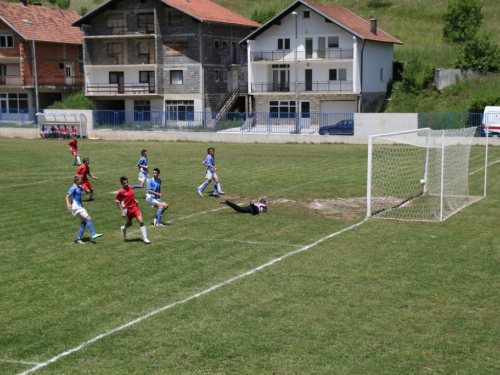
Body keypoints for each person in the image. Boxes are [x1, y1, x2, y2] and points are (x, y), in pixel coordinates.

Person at [65, 175, 103, 244]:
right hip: (76, 207)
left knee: (83, 223)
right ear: (76, 180)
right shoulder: (73, 187)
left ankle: (78, 239)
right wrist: (68, 204)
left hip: (79, 207)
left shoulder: (79, 187)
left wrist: (88, 191)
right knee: (88, 218)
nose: (82, 181)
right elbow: (67, 196)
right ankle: (93, 234)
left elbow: (81, 194)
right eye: (80, 180)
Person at [115, 176, 151, 244]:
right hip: (127, 209)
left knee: (141, 221)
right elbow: (117, 201)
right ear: (121, 184)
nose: (126, 184)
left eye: (127, 182)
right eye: (124, 183)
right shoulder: (121, 192)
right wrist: (122, 211)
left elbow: (131, 196)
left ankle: (145, 238)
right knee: (130, 223)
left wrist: (135, 200)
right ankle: (123, 228)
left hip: (135, 207)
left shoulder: (131, 187)